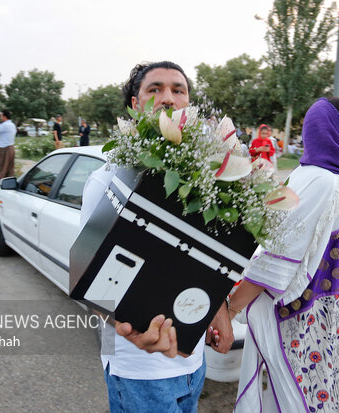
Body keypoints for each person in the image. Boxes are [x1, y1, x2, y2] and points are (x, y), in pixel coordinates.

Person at [80, 61, 232, 413]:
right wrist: (129, 329)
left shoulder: (207, 181)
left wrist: (220, 309)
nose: (168, 98)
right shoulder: (108, 181)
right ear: (135, 105)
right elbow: (89, 280)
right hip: (139, 374)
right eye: (155, 89)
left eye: (178, 90)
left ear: (189, 105)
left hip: (193, 365)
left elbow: (213, 259)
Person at [230, 97, 339, 412]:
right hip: (302, 330)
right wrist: (226, 314)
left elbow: (317, 236)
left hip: (319, 326)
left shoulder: (317, 177)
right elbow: (273, 256)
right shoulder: (325, 183)